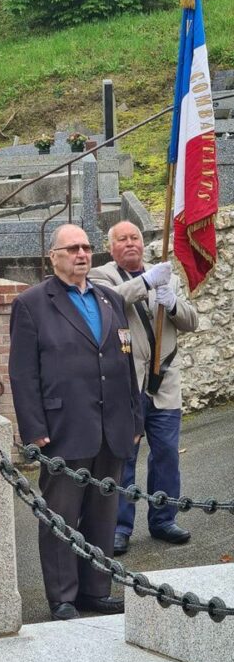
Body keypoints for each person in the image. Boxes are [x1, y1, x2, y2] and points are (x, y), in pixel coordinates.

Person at [9, 224, 143, 622]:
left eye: (86, 247)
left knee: (103, 514)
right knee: (61, 518)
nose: (82, 254)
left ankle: (95, 589)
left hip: (112, 426)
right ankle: (63, 596)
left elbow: (125, 361)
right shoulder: (33, 303)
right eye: (72, 248)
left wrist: (135, 416)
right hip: (64, 427)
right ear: (54, 257)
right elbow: (22, 373)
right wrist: (34, 429)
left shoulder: (109, 298)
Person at [89, 221, 198, 555]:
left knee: (166, 454)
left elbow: (191, 322)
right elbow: (108, 302)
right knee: (124, 458)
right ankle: (119, 526)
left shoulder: (167, 274)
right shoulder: (100, 276)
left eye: (135, 237)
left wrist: (173, 302)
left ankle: (164, 519)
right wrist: (146, 283)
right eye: (121, 239)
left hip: (164, 383)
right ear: (112, 247)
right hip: (127, 385)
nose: (130, 243)